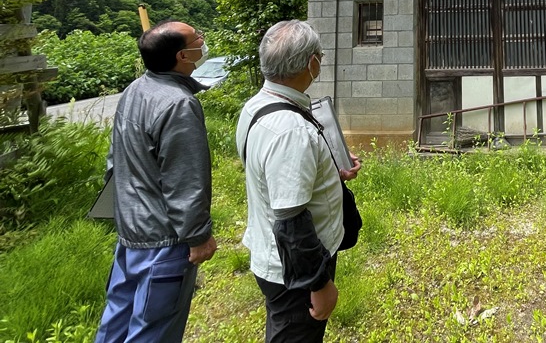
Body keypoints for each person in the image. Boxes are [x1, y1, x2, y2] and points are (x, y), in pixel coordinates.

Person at [236, 20, 361, 343]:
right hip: (294, 272)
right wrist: (318, 284)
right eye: (319, 55)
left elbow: (273, 177)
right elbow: (291, 222)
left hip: (280, 259)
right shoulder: (291, 131)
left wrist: (329, 174)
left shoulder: (256, 107)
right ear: (311, 63)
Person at [95, 21, 218, 343]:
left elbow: (114, 160)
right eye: (198, 39)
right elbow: (186, 180)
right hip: (164, 239)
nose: (203, 41)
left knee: (117, 319)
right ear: (183, 56)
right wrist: (198, 236)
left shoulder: (135, 89)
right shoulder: (179, 104)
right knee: (154, 329)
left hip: (130, 231)